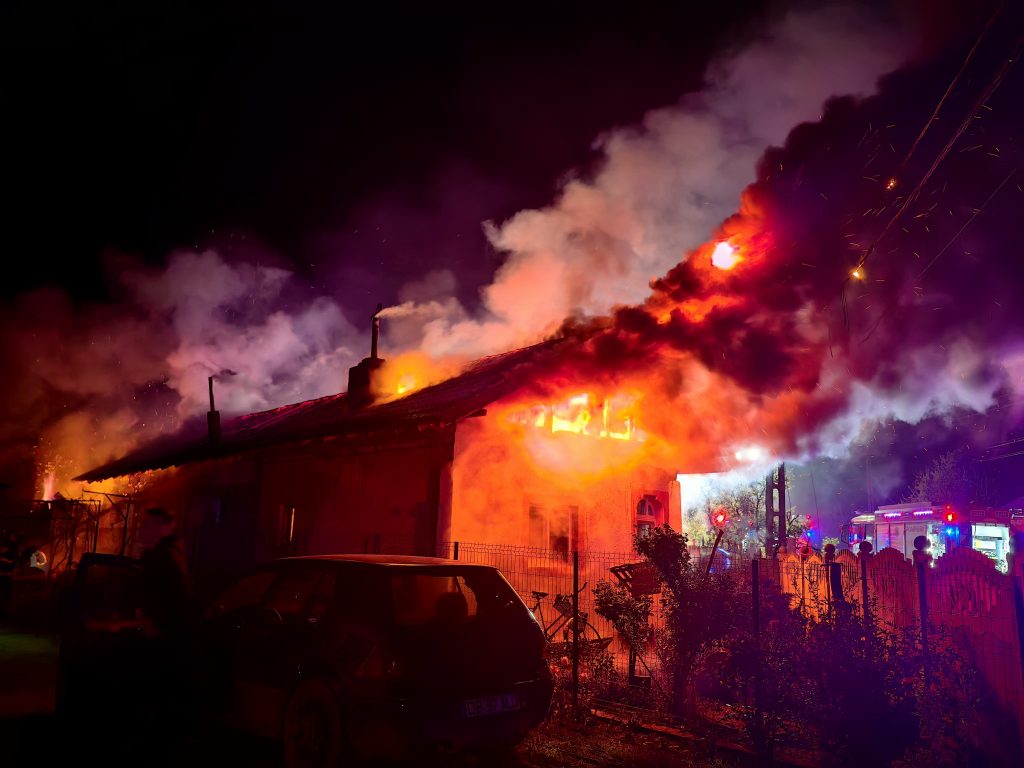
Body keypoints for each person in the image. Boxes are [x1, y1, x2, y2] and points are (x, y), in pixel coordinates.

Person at [138, 507, 198, 762]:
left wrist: (153, 621)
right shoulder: (168, 555)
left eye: (148, 525)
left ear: (164, 527)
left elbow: (171, 598)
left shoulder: (164, 559)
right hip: (169, 638)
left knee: (162, 695)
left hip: (165, 640)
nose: (142, 530)